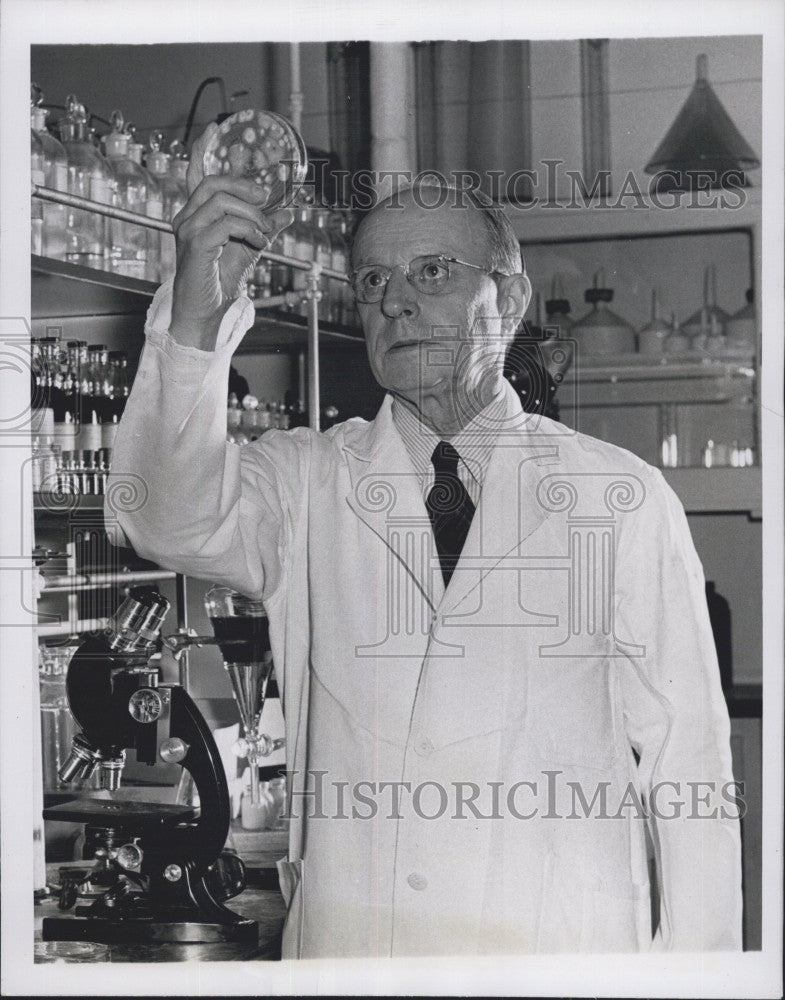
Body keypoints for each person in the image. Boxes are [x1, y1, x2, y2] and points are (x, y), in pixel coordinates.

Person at [108, 122, 742, 959]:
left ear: (508, 301)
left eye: (432, 272)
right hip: (356, 947)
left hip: (555, 950)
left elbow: (688, 766)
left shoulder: (616, 495)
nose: (395, 300)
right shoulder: (305, 479)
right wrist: (193, 315)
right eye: (372, 280)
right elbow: (158, 513)